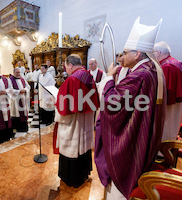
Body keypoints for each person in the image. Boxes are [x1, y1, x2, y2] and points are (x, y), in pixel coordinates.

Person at [94, 17, 166, 199]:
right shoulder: (152, 68)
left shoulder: (140, 74)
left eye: (125, 53)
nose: (121, 57)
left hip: (131, 140)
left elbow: (113, 103)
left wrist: (110, 78)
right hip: (143, 131)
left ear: (137, 53)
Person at [54, 54, 99, 188]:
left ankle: (72, 178)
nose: (66, 70)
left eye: (66, 67)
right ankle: (83, 174)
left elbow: (63, 108)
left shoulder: (72, 80)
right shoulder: (89, 76)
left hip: (73, 123)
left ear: (71, 65)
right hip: (86, 121)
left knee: (72, 147)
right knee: (83, 147)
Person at [153, 41, 182, 142]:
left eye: (153, 52)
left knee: (166, 125)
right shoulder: (172, 62)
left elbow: (165, 90)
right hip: (175, 100)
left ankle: (163, 151)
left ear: (158, 52)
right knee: (171, 125)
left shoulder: (167, 66)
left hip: (169, 102)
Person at [9, 68, 30, 132]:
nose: (18, 74)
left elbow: (28, 86)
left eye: (19, 72)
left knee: (23, 113)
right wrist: (18, 92)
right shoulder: (10, 80)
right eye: (17, 72)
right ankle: (17, 127)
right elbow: (10, 89)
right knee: (17, 113)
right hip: (15, 100)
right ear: (13, 73)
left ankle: (24, 127)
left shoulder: (22, 79)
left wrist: (25, 90)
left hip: (23, 99)